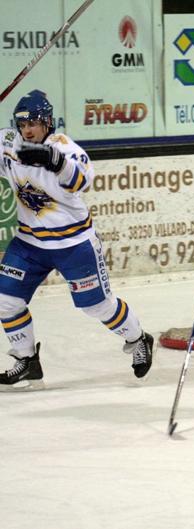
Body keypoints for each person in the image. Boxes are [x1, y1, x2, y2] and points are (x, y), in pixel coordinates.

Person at [0, 90, 153, 390]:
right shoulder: (8, 142)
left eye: (34, 123)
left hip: (73, 244)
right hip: (29, 243)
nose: (27, 130)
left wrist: (55, 161)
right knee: (5, 300)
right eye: (23, 124)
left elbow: (81, 181)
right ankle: (27, 360)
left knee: (97, 307)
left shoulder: (64, 148)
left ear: (47, 123)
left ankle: (138, 338)